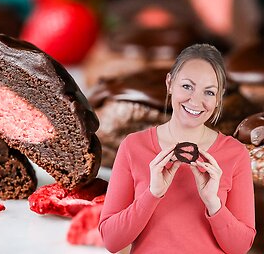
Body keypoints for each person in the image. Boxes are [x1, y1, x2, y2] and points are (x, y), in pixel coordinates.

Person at [98, 43, 256, 253]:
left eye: (209, 92)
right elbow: (111, 240)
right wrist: (152, 193)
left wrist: (213, 203)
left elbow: (241, 247)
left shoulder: (235, 153)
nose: (196, 100)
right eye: (187, 86)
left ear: (219, 98)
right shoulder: (133, 146)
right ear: (170, 83)